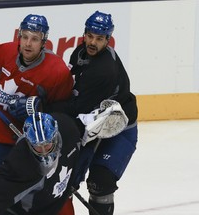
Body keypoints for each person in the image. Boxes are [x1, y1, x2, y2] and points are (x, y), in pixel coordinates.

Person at [13, 11, 138, 214]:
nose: (92, 42)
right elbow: (71, 95)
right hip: (91, 123)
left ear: (108, 40)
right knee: (67, 178)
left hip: (116, 128)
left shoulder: (104, 71)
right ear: (84, 33)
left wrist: (42, 106)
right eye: (89, 36)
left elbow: (77, 109)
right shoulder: (80, 53)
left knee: (101, 182)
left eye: (99, 39)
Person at [0, 14, 74, 177]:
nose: (28, 43)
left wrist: (40, 107)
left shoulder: (57, 71)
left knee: (26, 199)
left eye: (34, 39)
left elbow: (66, 110)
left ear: (43, 42)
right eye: (24, 37)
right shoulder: (5, 51)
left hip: (34, 146)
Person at [0, 112, 81, 215]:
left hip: (52, 206)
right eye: (37, 146)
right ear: (28, 142)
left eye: (47, 145)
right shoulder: (24, 162)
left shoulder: (69, 130)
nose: (43, 152)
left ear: (55, 136)